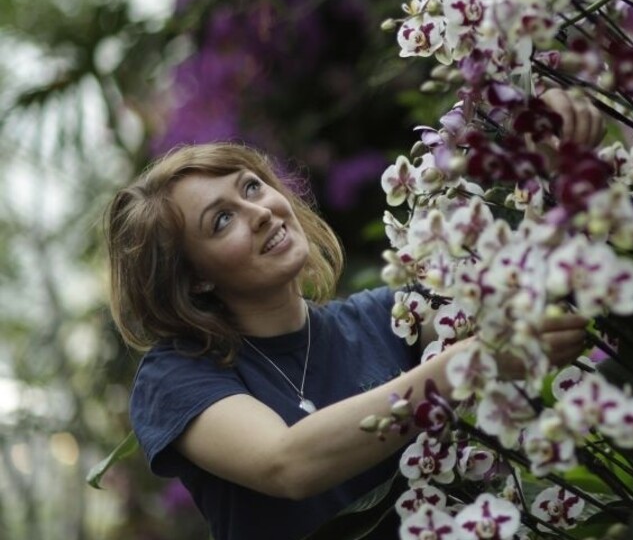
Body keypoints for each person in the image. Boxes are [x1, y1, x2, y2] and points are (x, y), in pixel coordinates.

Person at [105, 89, 603, 540]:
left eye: (252, 187)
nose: (259, 212)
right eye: (221, 220)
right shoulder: (176, 377)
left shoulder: (386, 317)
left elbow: (525, 300)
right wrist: (467, 364)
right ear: (196, 278)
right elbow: (287, 464)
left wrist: (552, 168)